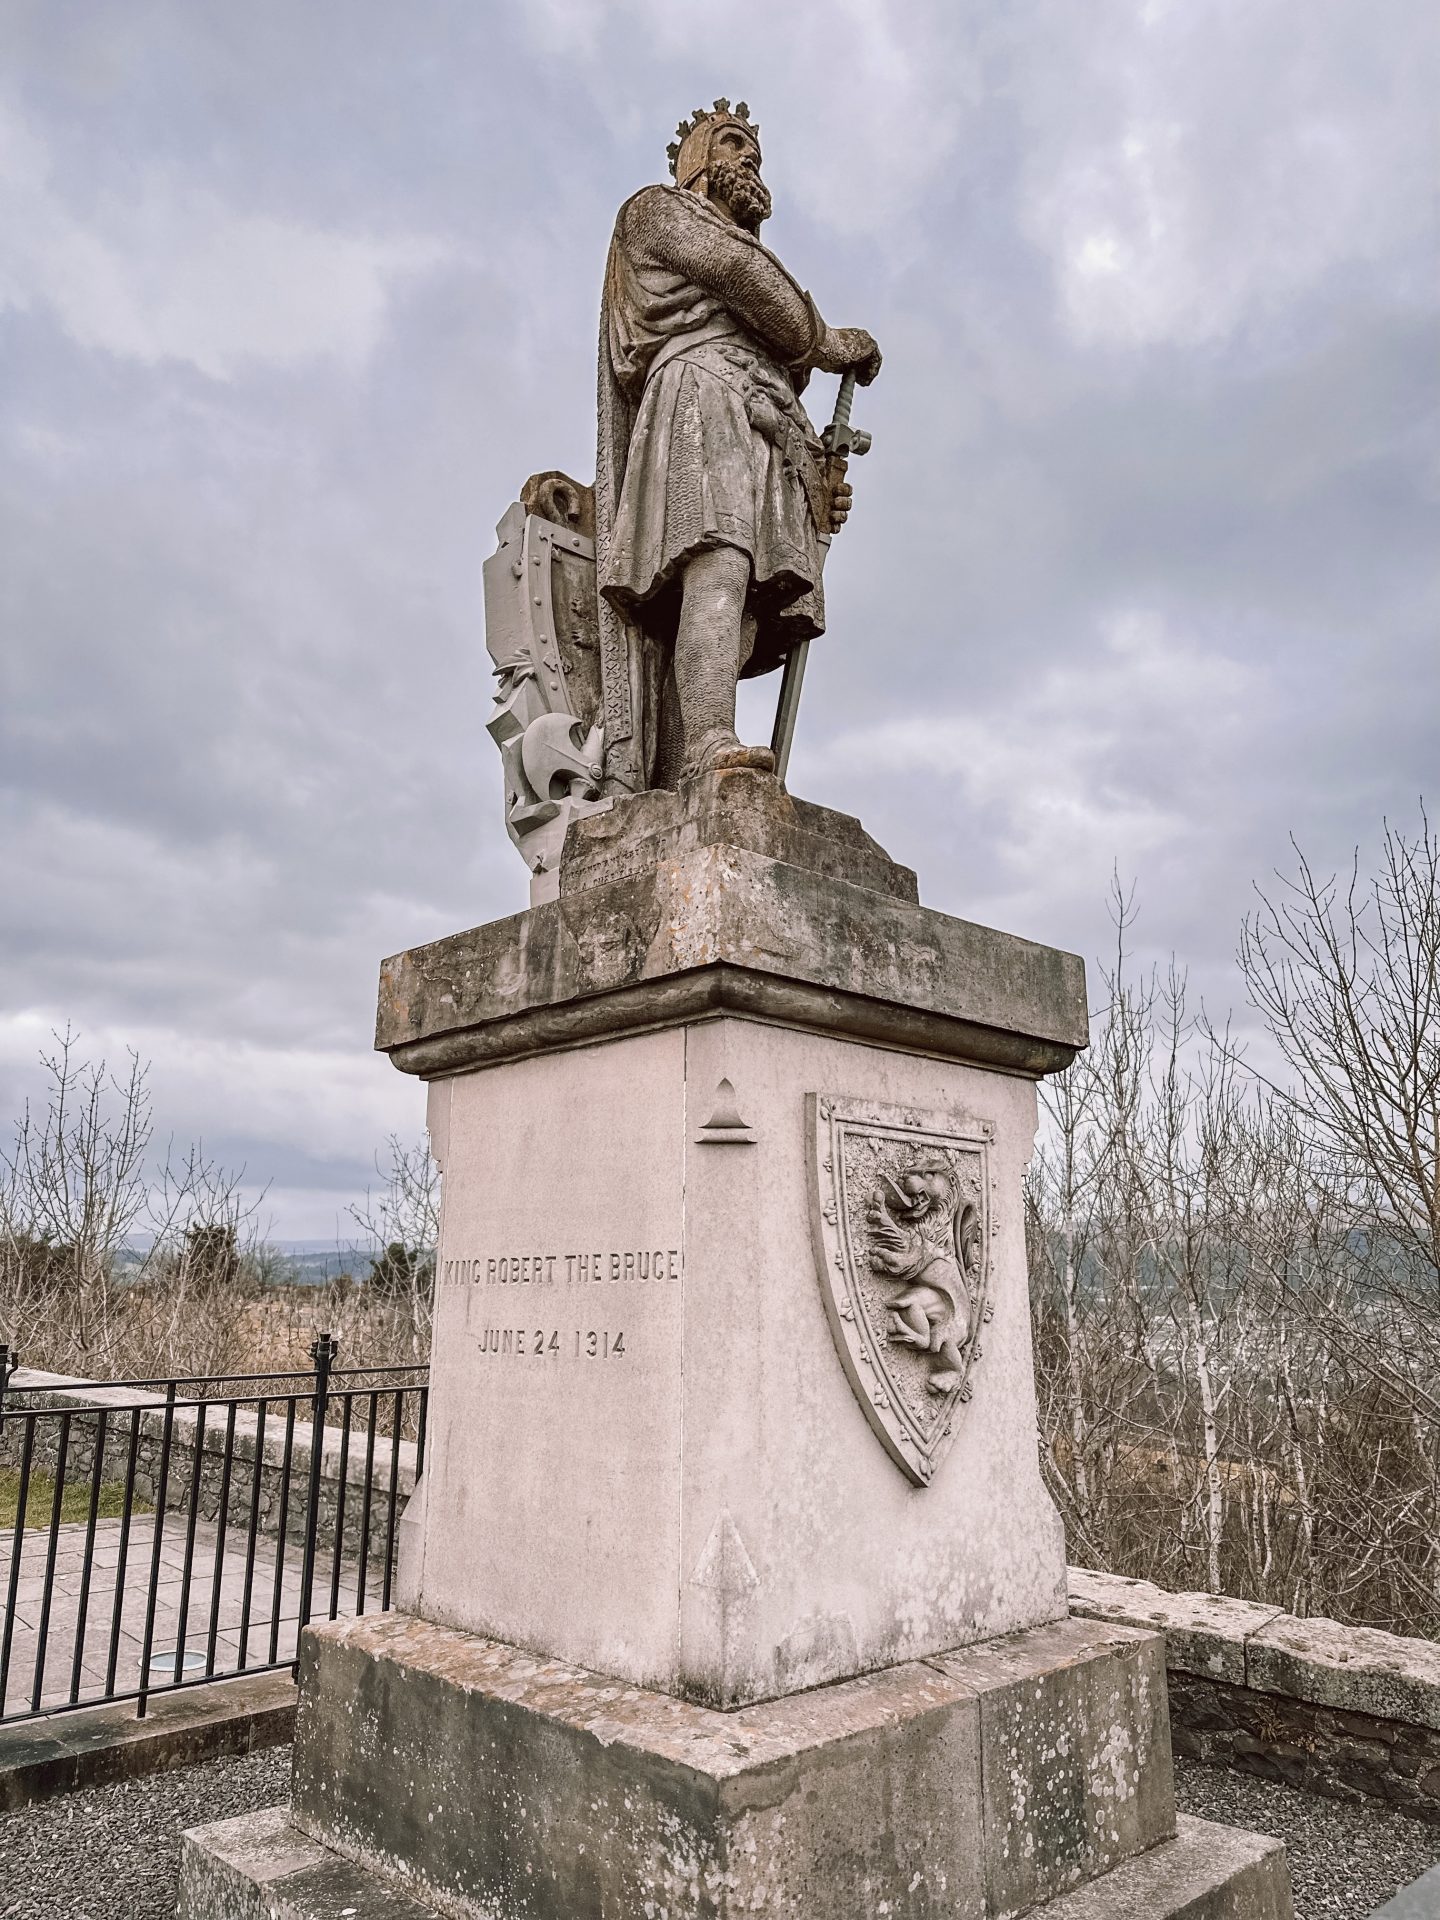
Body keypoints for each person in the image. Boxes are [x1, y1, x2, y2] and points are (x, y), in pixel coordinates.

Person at [596, 99, 881, 788]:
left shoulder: (742, 263)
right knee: (717, 565)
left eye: (753, 149)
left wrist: (817, 482)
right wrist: (831, 341)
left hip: (758, 415)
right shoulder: (657, 212)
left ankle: (686, 756)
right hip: (698, 395)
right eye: (730, 144)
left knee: (752, 603)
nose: (748, 157)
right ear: (696, 163)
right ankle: (708, 743)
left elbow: (777, 351)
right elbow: (754, 286)